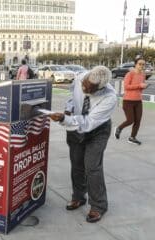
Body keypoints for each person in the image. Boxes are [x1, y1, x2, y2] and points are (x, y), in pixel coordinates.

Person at [49, 66, 117, 223]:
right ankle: (78, 197)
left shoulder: (110, 97)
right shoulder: (81, 78)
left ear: (100, 87)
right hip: (75, 123)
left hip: (97, 131)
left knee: (92, 167)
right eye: (84, 84)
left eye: (89, 88)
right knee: (77, 164)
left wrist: (63, 120)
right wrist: (68, 109)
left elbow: (88, 123)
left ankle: (99, 206)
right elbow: (73, 96)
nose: (84, 88)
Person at [114, 57, 148, 145]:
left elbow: (140, 88)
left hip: (138, 101)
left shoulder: (143, 75)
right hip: (128, 101)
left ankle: (132, 137)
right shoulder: (130, 74)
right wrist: (139, 85)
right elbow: (126, 87)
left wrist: (143, 87)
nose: (142, 66)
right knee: (130, 120)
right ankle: (119, 128)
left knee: (138, 120)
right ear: (135, 65)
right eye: (140, 64)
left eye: (143, 64)